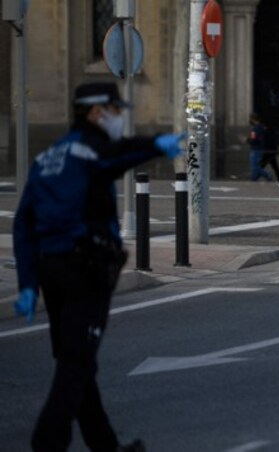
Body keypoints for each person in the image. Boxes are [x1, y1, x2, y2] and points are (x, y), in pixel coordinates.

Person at [13, 82, 185, 452]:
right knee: (76, 363)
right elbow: (114, 157)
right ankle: (47, 442)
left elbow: (23, 223)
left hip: (51, 270)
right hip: (83, 272)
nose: (118, 117)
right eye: (115, 110)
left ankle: (105, 446)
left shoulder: (48, 157)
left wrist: (28, 283)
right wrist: (154, 144)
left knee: (78, 360)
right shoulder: (88, 153)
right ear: (95, 112)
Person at [246, 112, 275, 182]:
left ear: (252, 119)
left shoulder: (255, 129)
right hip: (260, 149)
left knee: (255, 167)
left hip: (256, 149)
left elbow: (253, 139)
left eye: (250, 119)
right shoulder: (262, 127)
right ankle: (253, 180)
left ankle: (267, 176)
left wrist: (247, 140)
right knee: (256, 166)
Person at [257, 115, 279, 183]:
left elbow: (268, 142)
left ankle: (256, 177)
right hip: (271, 151)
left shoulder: (267, 132)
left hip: (268, 151)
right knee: (274, 166)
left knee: (261, 165)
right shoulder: (271, 131)